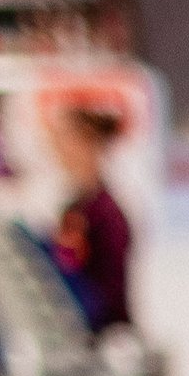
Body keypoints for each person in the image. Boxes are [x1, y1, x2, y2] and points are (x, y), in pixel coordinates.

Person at [42, 99, 135, 334]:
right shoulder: (76, 208)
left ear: (86, 143)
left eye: (63, 140)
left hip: (105, 338)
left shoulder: (106, 215)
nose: (57, 151)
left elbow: (108, 296)